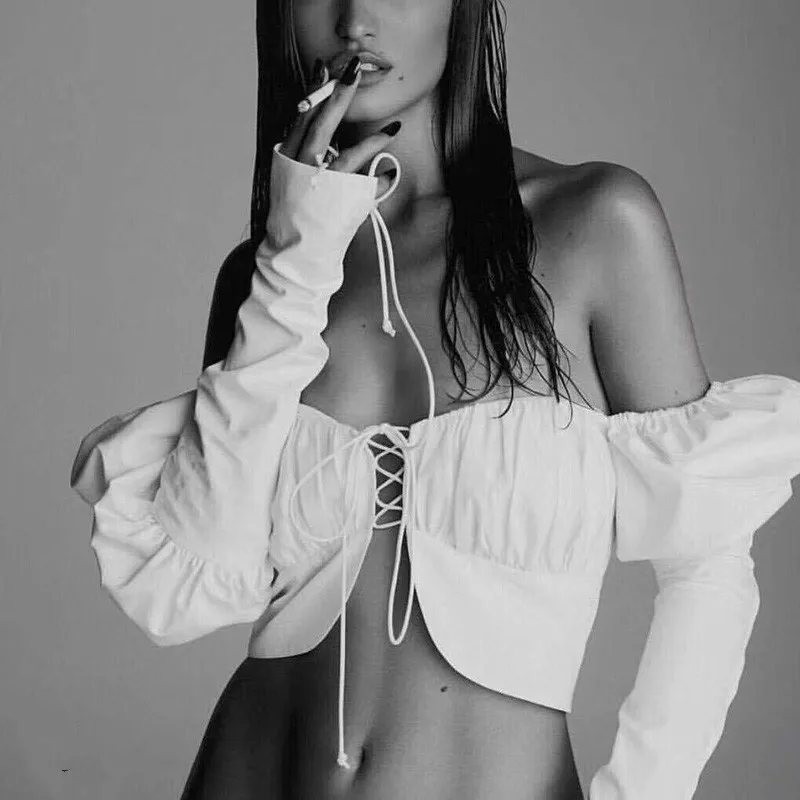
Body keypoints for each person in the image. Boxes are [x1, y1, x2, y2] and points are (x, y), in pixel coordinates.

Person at [69, 1, 800, 798]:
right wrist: (296, 255)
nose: (355, 19)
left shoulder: (592, 223)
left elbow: (707, 567)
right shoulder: (265, 277)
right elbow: (203, 578)